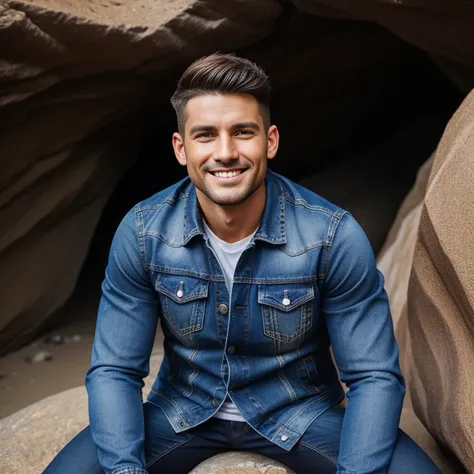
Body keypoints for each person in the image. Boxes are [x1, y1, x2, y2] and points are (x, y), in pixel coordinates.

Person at [43, 53, 441, 474]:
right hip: (182, 413)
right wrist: (125, 470)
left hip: (302, 415)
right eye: (206, 136)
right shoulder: (144, 233)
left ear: (270, 141)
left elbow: (373, 377)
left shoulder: (332, 235)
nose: (226, 152)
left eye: (242, 132)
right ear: (182, 148)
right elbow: (115, 370)